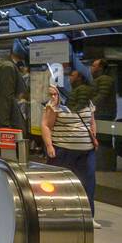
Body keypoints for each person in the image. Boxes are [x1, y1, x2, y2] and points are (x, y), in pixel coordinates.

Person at [42, 82, 99, 226]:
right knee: (59, 185)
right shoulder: (56, 105)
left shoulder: (88, 103)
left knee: (88, 184)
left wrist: (93, 136)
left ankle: (88, 217)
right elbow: (46, 125)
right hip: (62, 150)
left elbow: (91, 122)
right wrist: (49, 146)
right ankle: (57, 214)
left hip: (86, 150)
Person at [0, 43, 27, 156]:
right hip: (5, 118)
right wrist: (5, 128)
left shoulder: (2, 63)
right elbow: (5, 97)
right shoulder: (8, 67)